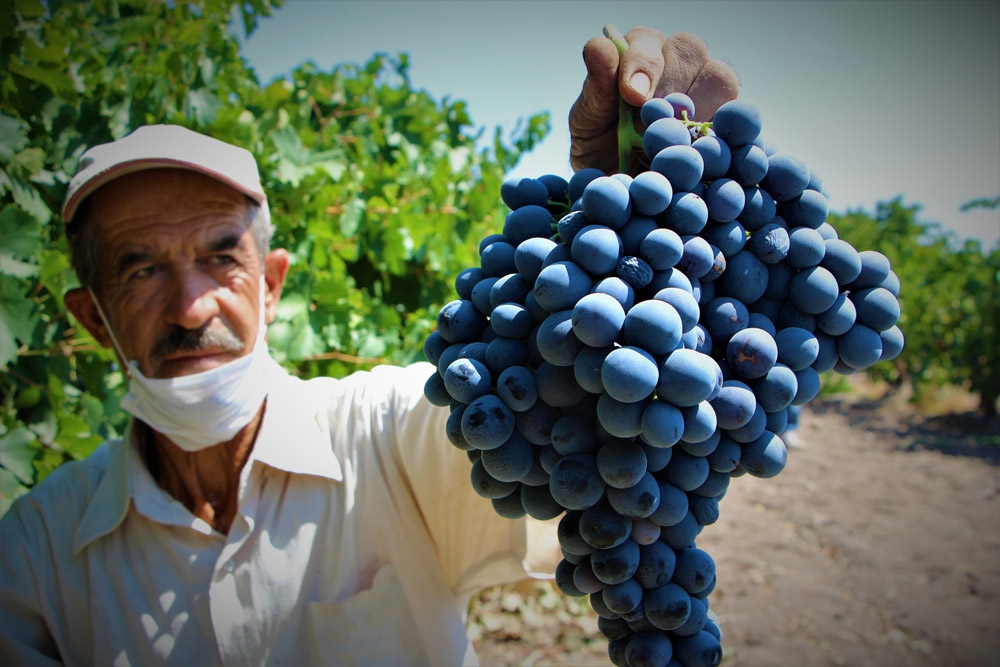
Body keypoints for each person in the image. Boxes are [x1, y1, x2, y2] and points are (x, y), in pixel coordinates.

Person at [0, 27, 738, 666]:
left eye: (222, 257)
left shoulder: (389, 432)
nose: (192, 305)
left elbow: (570, 430)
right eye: (140, 270)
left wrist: (626, 231)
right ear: (92, 317)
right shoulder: (32, 558)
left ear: (271, 284)